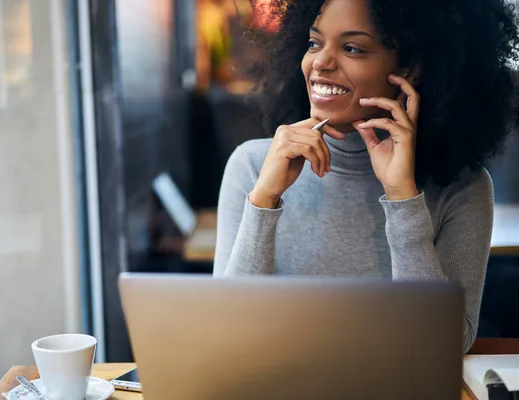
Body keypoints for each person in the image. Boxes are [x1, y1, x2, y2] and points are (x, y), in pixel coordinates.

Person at [213, 0, 519, 354]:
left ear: (409, 68)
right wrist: (264, 199)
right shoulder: (253, 166)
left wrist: (403, 197)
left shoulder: (464, 188)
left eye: (352, 48)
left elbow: (441, 347)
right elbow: (228, 334)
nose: (321, 63)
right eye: (314, 43)